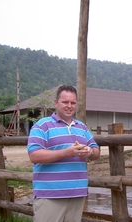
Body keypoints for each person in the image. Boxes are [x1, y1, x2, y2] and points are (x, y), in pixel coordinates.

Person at [27, 85, 100, 222]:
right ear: (56, 103)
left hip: (77, 193)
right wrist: (66, 153)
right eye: (65, 102)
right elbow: (34, 155)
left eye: (73, 103)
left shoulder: (82, 127)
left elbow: (96, 151)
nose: (69, 106)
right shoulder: (42, 125)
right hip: (50, 194)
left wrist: (89, 152)